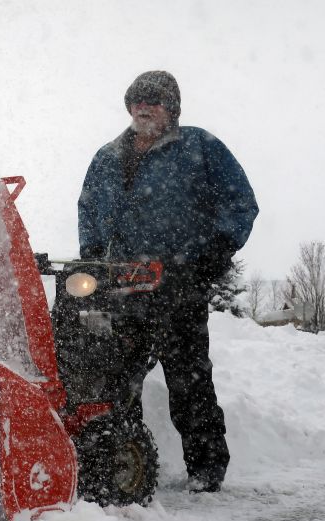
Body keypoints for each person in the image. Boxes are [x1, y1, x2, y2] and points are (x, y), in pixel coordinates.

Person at [77, 70, 258, 493]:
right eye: (136, 99)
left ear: (172, 108)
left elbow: (240, 201)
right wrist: (91, 264)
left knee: (188, 378)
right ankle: (127, 461)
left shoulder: (199, 147)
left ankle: (206, 470)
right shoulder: (107, 156)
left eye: (154, 100)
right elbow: (88, 211)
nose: (144, 106)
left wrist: (213, 253)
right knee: (118, 380)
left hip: (178, 284)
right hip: (122, 289)